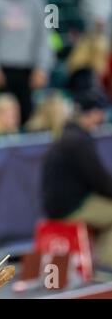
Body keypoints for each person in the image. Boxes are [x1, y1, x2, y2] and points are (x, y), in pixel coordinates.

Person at [42, 93, 112, 268]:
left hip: (60, 206)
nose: (102, 119)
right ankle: (106, 266)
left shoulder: (69, 136)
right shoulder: (78, 141)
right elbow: (101, 181)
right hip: (69, 208)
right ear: (92, 113)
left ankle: (98, 261)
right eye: (100, 113)